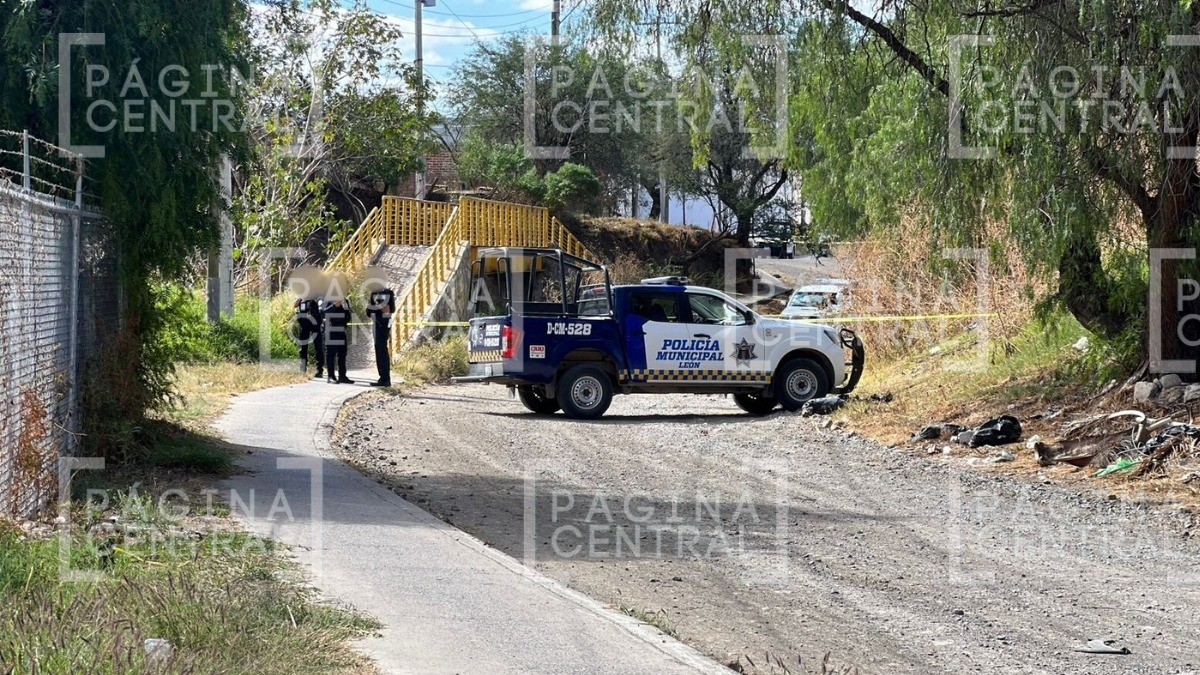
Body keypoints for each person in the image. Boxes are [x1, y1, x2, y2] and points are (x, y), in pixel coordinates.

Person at [366, 286, 396, 387]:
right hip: (377, 323)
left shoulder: (385, 293)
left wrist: (376, 303)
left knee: (382, 349)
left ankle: (385, 379)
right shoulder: (375, 292)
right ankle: (382, 378)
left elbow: (386, 310)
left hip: (383, 324)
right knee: (379, 350)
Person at [323, 298, 354, 384]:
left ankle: (342, 376)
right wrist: (334, 305)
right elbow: (323, 313)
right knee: (331, 354)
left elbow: (348, 317)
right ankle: (331, 376)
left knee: (342, 354)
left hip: (341, 330)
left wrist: (345, 308)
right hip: (331, 330)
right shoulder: (327, 300)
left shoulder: (345, 301)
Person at [294, 295, 324, 379]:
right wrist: (301, 298)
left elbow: (322, 304)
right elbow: (295, 305)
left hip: (316, 323)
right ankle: (303, 369)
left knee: (318, 347)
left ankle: (319, 370)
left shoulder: (317, 294)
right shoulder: (301, 294)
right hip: (304, 323)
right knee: (303, 347)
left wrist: (313, 299)